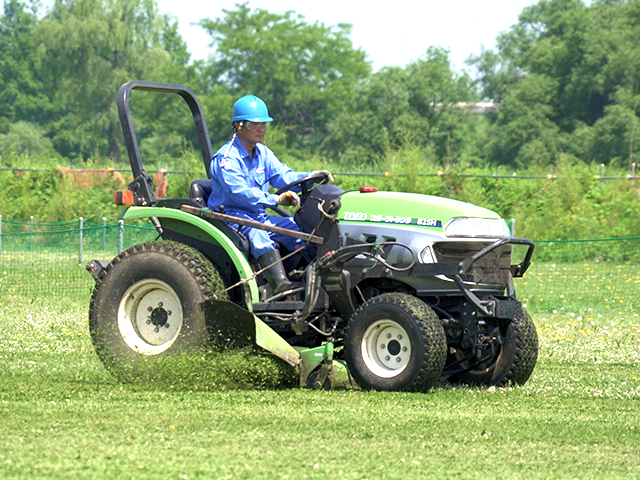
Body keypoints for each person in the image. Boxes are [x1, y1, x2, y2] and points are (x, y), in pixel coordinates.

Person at [208, 94, 333, 296]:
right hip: (231, 218)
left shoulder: (263, 153)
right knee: (259, 235)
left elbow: (283, 176)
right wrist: (275, 199)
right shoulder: (226, 159)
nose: (262, 128)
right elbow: (240, 192)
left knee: (299, 230)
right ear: (239, 126)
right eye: (255, 124)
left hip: (258, 216)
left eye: (264, 124)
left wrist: (310, 177)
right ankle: (281, 286)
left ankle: (308, 277)